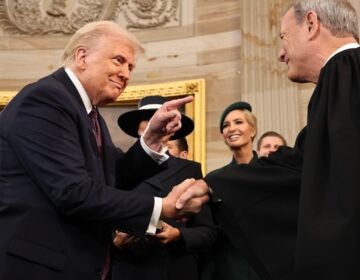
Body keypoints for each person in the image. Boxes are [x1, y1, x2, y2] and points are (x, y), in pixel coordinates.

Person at [0, 21, 208, 280]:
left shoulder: (91, 113)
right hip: (41, 268)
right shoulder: (45, 99)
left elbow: (112, 179)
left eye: (130, 67)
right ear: (82, 56)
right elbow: (74, 192)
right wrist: (161, 207)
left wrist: (151, 140)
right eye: (118, 60)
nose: (126, 74)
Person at [189, 1, 360, 279]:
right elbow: (309, 165)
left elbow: (321, 177)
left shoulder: (346, 69)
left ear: (311, 24)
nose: (281, 54)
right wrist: (214, 184)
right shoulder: (342, 76)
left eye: (283, 37)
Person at [113, 95, 216, 280]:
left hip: (174, 268)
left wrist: (178, 234)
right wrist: (116, 243)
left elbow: (207, 232)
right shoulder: (117, 167)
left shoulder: (190, 170)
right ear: (138, 128)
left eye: (161, 117)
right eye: (149, 118)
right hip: (129, 269)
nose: (156, 122)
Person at [202, 101, 261, 280]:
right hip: (229, 267)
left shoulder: (271, 174)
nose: (231, 128)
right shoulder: (215, 179)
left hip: (267, 265)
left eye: (238, 122)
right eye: (226, 125)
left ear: (253, 130)